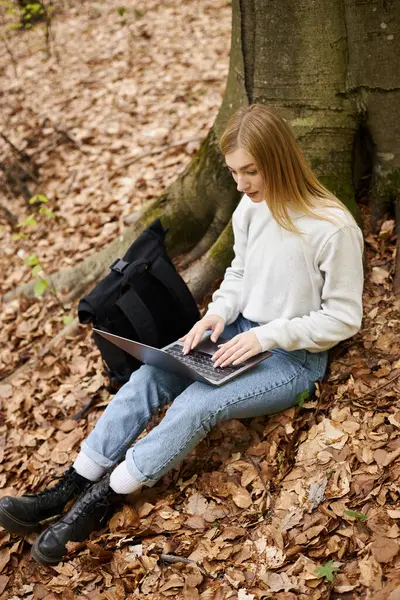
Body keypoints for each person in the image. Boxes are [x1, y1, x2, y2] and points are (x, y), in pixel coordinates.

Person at [0, 104, 364, 565]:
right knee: (149, 376)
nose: (241, 184)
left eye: (250, 171)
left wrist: (270, 335)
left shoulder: (331, 227)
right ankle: (70, 484)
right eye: (234, 172)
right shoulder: (250, 209)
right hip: (235, 332)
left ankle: (102, 499)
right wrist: (217, 314)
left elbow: (344, 318)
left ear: (280, 160)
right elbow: (237, 273)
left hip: (293, 359)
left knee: (198, 403)